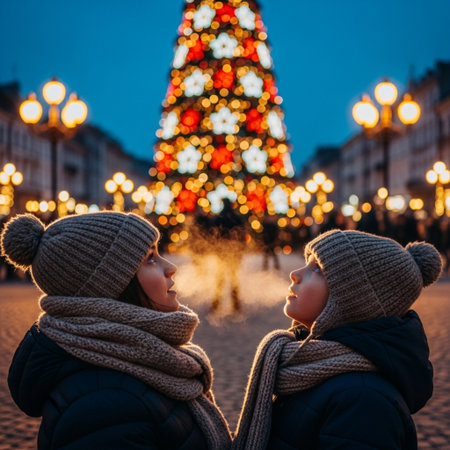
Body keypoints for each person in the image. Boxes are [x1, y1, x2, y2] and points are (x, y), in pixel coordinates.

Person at [1, 212, 231, 450]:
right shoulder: (104, 403)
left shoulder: (141, 362)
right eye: (150, 259)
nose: (170, 268)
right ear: (111, 287)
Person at [233, 229, 442, 450]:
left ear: (354, 298)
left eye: (317, 269)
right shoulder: (310, 365)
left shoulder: (363, 402)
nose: (295, 273)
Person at [210, 199, 246, 314]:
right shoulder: (237, 218)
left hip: (221, 254)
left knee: (219, 280)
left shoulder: (218, 218)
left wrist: (217, 249)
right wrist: (240, 251)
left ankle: (216, 304)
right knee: (233, 279)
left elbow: (214, 236)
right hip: (234, 254)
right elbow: (242, 236)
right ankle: (236, 305)